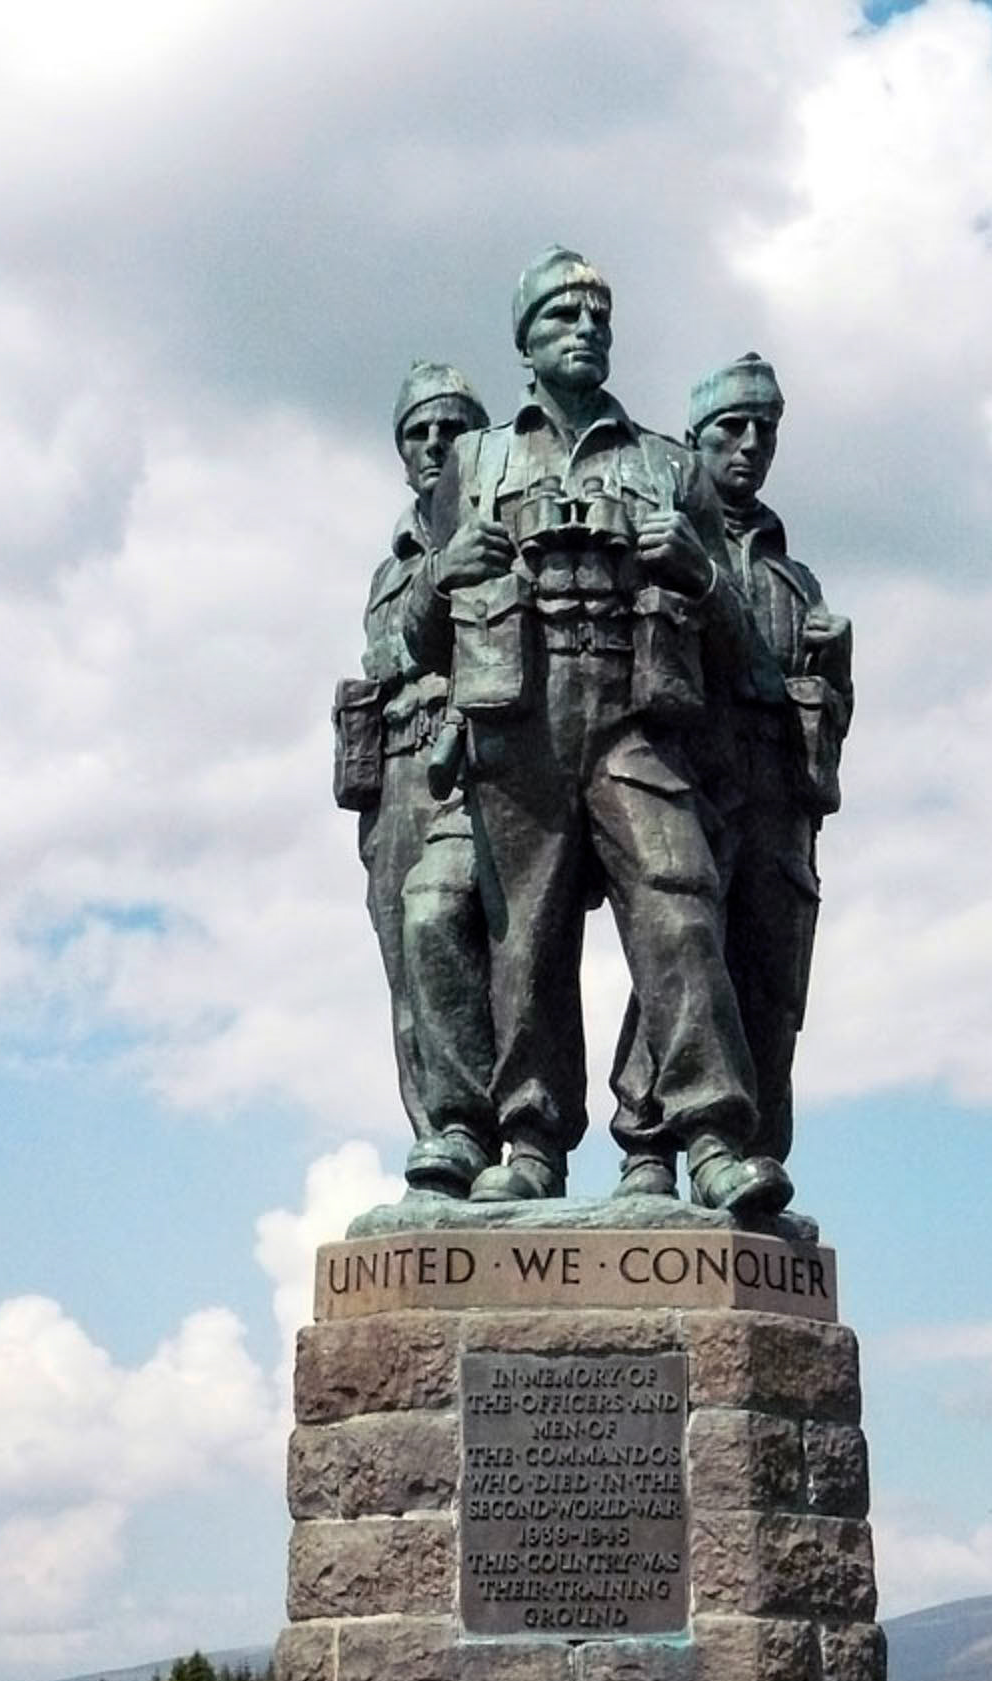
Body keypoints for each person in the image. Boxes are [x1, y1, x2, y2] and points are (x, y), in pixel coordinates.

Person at [405, 249, 791, 1213]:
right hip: (519, 720)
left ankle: (706, 1137)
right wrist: (445, 568)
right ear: (525, 345)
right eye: (561, 319)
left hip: (632, 720)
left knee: (680, 902)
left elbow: (746, 646)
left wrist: (699, 570)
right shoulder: (475, 461)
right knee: (521, 937)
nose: (584, 332)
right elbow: (418, 641)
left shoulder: (665, 463)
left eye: (597, 319)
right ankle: (529, 1141)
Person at [610, 354, 852, 1185]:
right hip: (697, 778)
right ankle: (648, 1146)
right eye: (730, 430)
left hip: (781, 798)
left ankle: (755, 1158)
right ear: (694, 440)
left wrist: (836, 666)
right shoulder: (664, 542)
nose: (750, 446)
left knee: (774, 987)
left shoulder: (796, 578)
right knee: (680, 953)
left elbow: (831, 714)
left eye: (766, 432)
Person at [336, 360, 497, 1196]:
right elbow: (388, 653)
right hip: (400, 768)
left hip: (485, 760)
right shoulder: (393, 562)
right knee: (408, 965)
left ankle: (508, 1143)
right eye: (419, 431)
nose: (435, 443)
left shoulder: (500, 529)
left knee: (497, 955)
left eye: (453, 427)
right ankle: (440, 1145)